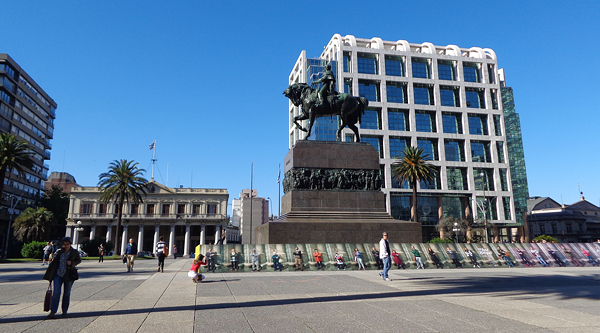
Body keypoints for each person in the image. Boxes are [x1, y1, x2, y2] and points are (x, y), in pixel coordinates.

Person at [43, 237, 81, 319]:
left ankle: (64, 310)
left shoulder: (74, 252)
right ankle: (53, 311)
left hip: (69, 275)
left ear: (70, 244)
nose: (66, 246)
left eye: (67, 244)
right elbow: (54, 263)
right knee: (56, 293)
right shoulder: (60, 252)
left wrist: (72, 263)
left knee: (66, 293)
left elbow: (78, 260)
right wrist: (50, 275)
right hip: (58, 274)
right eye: (64, 244)